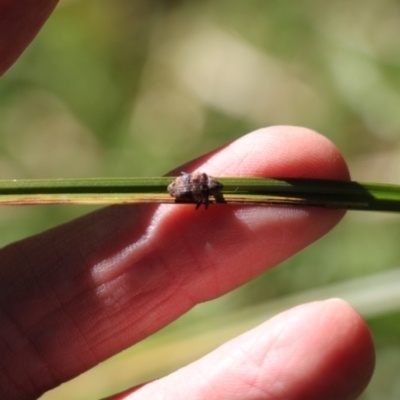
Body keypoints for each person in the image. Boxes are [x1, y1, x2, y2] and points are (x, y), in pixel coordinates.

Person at [0, 2, 375, 399]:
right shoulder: (196, 189)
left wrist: (197, 191)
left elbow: (196, 186)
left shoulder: (200, 188)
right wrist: (195, 192)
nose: (206, 189)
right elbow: (193, 187)